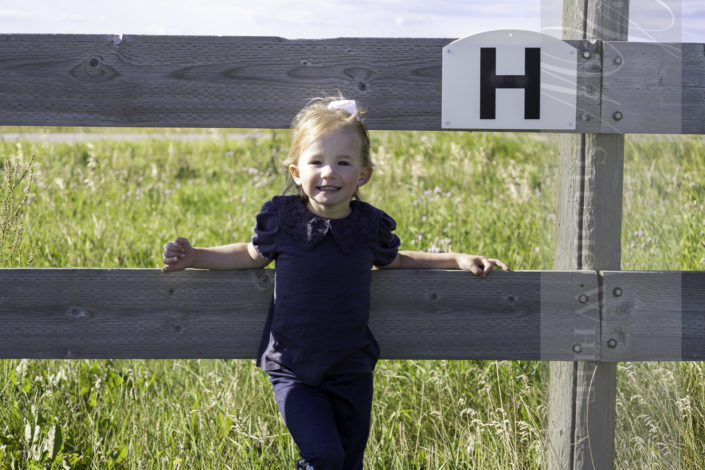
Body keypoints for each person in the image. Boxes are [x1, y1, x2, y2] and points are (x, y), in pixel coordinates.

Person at [161, 96, 509, 470]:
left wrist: (455, 259)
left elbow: (397, 261)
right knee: (323, 456)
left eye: (343, 162)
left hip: (351, 368)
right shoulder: (283, 221)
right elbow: (249, 254)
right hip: (293, 367)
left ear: (363, 175)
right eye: (316, 162)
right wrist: (195, 256)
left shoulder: (367, 226)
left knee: (348, 461)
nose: (329, 172)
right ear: (296, 172)